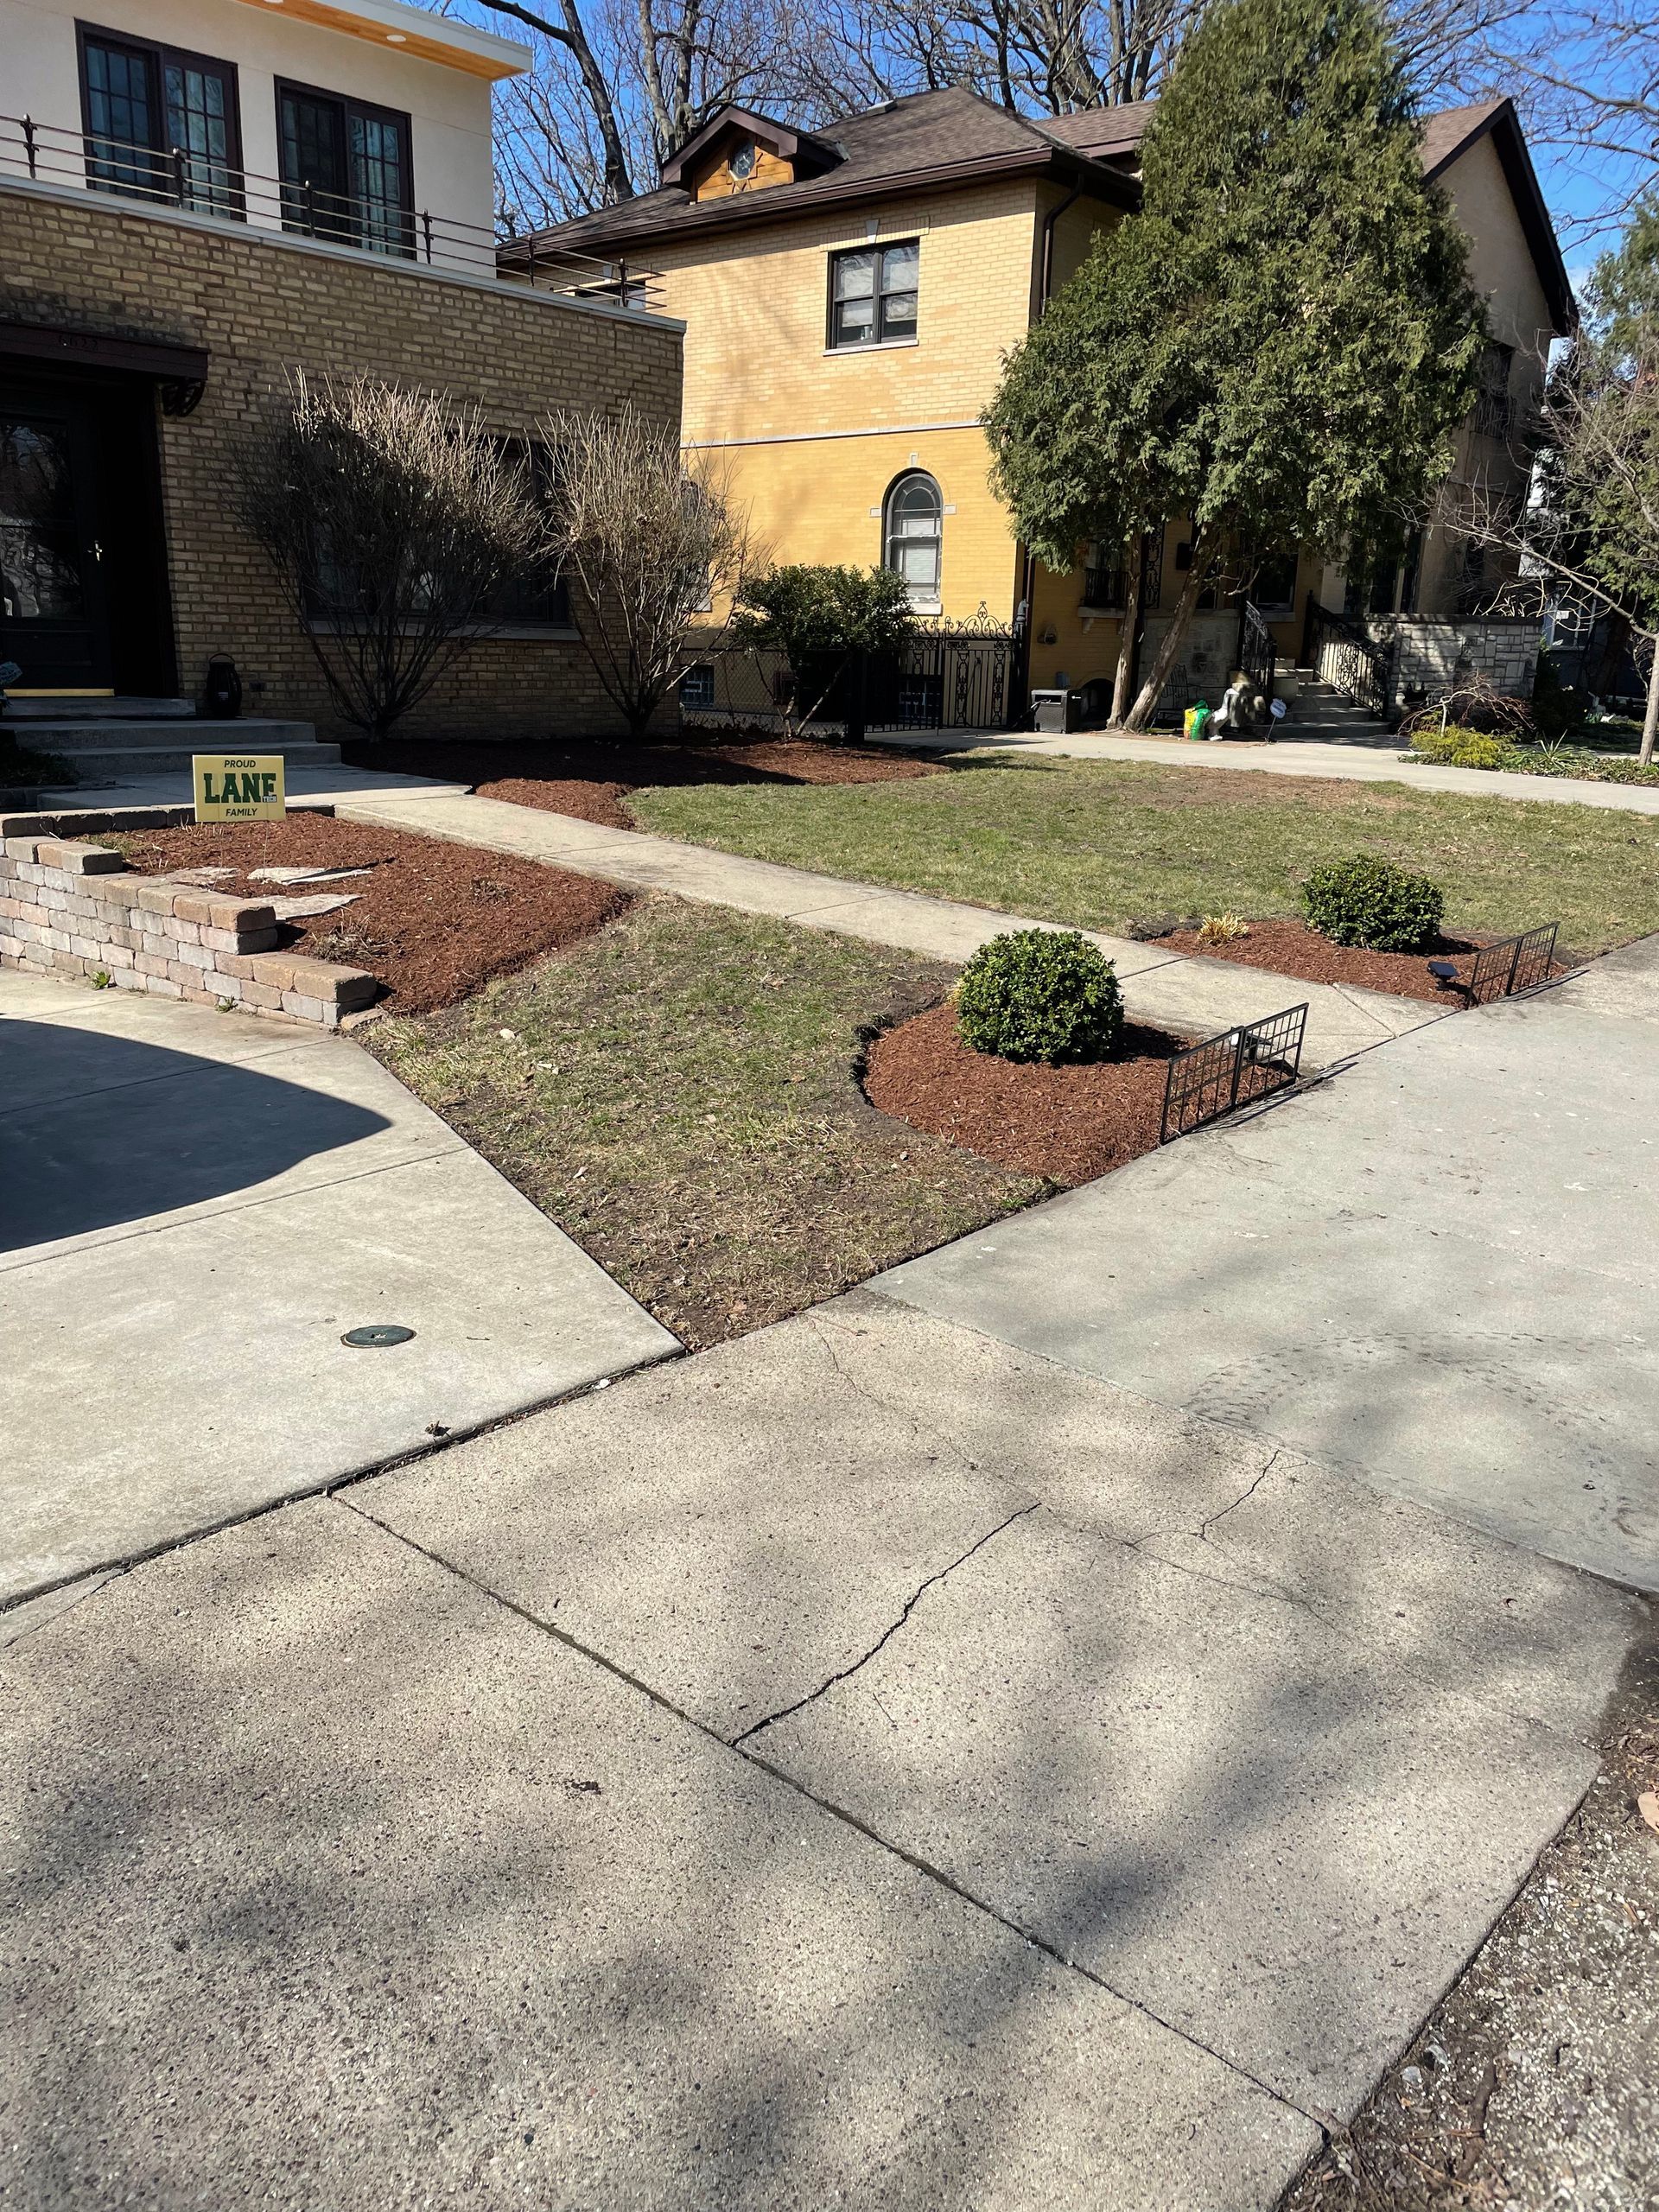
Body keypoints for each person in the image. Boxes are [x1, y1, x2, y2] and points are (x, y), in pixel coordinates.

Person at [1209, 671, 1254, 740]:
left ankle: (1215, 733)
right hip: (1214, 721)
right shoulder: (1221, 713)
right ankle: (1212, 734)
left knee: (1224, 716)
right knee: (1222, 717)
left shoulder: (1225, 712)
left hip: (1221, 714)